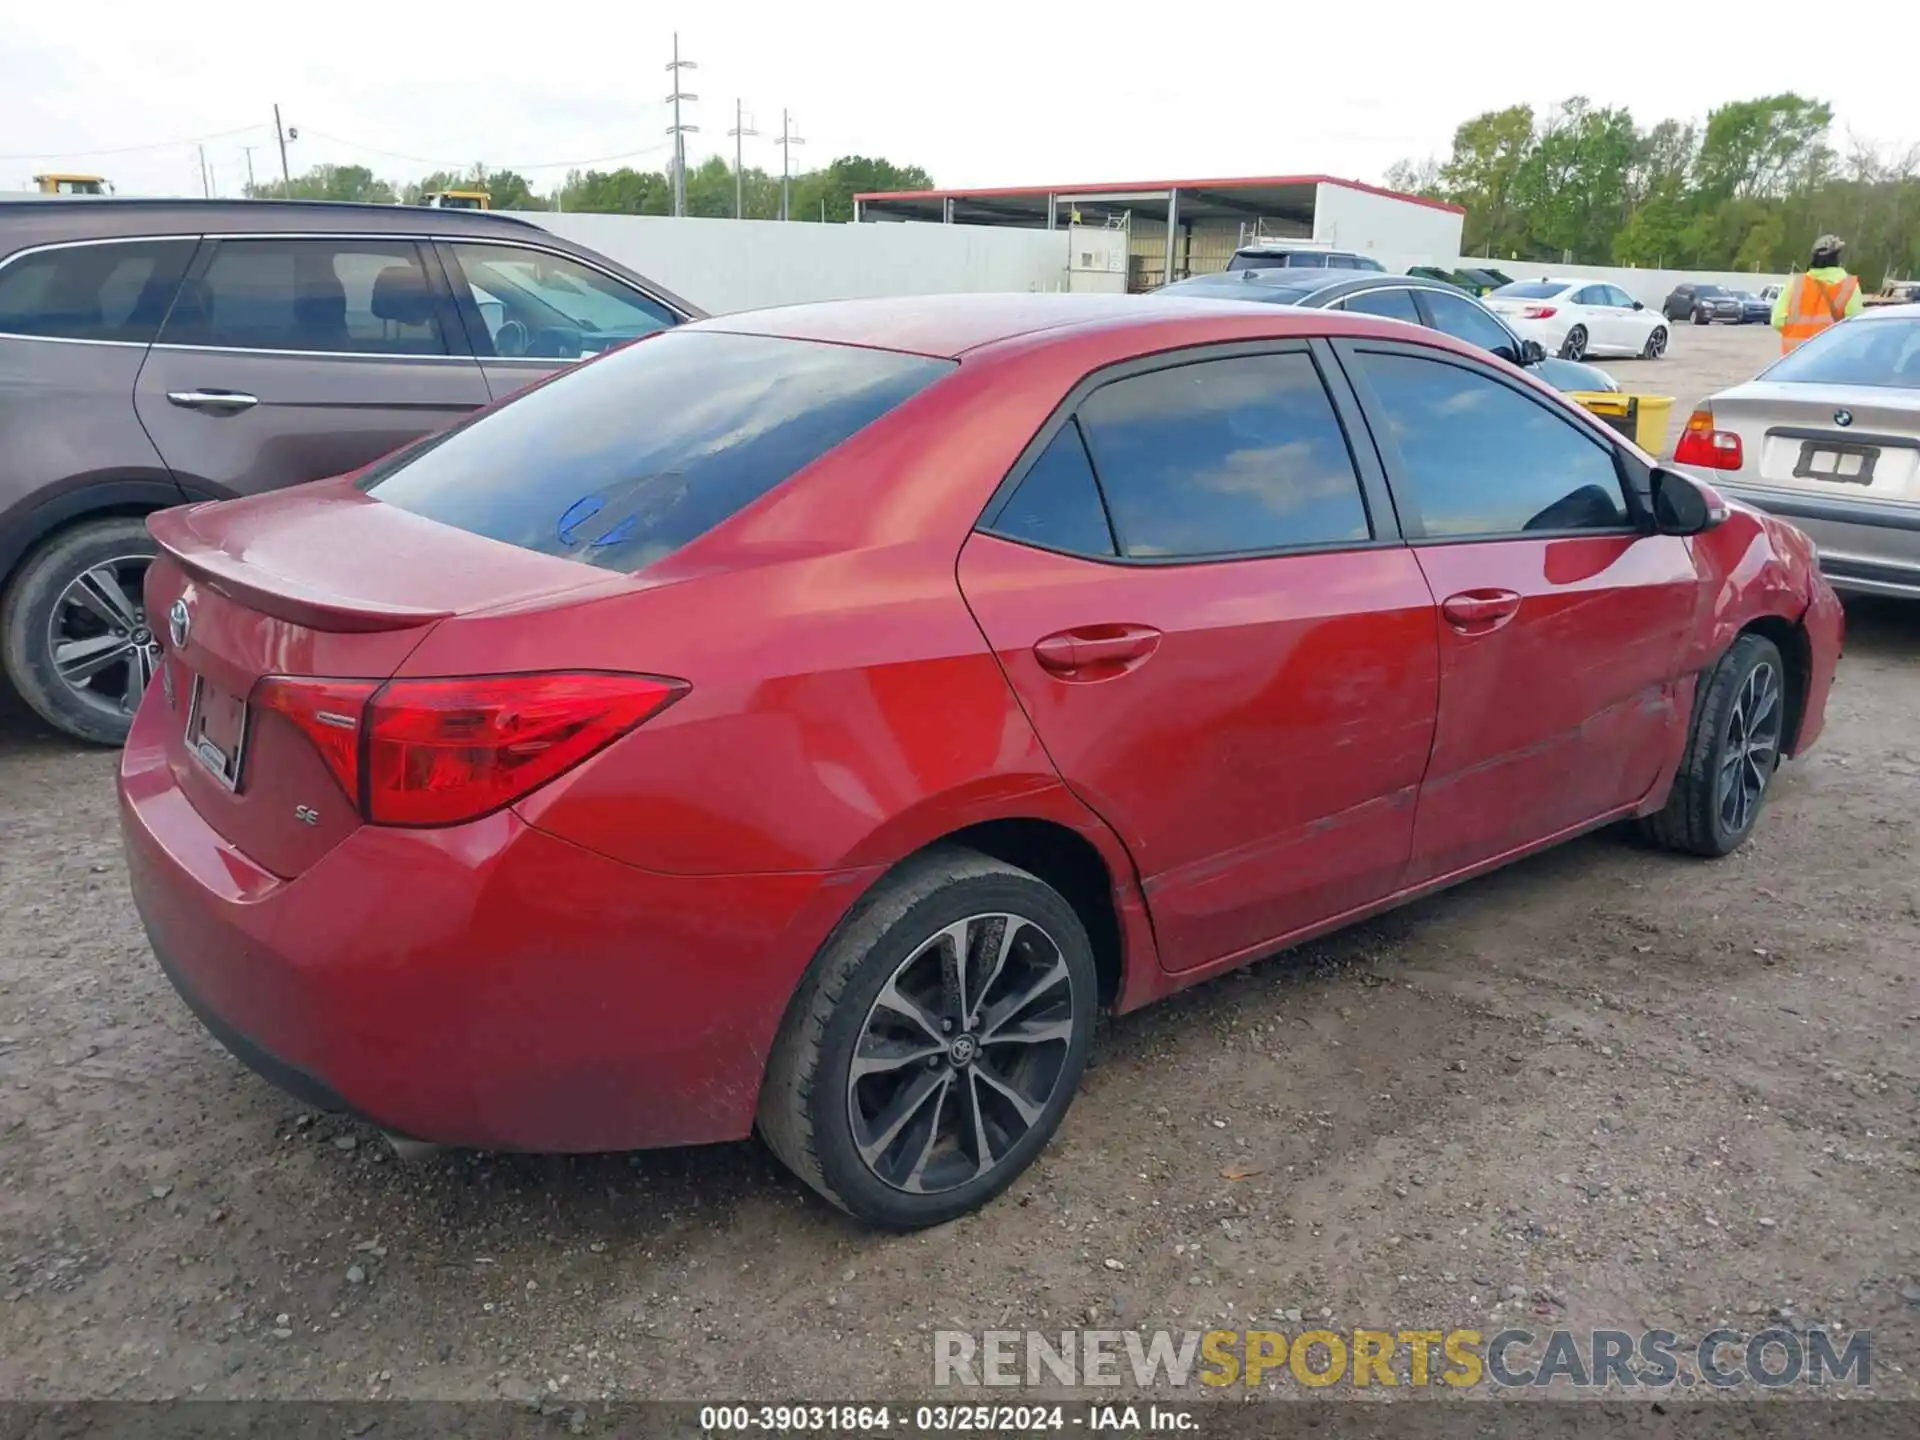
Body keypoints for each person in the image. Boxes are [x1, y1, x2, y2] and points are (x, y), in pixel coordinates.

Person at [1772, 235, 1863, 352]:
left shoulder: (1795, 284)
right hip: (1830, 357)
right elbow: (1856, 325)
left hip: (1795, 358)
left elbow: (1777, 321)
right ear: (1837, 258)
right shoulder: (1849, 286)